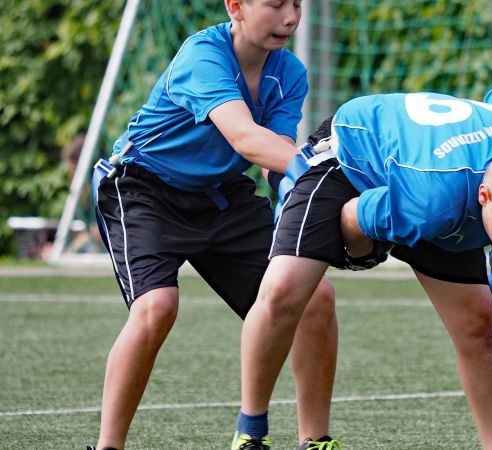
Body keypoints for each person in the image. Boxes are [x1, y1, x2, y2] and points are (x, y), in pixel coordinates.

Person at [238, 80, 492, 450]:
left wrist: (470, 133)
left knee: (477, 321)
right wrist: (358, 252)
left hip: (436, 180)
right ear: (485, 194)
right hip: (350, 159)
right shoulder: (428, 204)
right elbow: (353, 223)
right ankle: (250, 431)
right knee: (285, 290)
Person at [88, 1, 340, 449]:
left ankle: (314, 441)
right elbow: (244, 137)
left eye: (297, 3)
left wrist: (322, 199)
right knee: (156, 307)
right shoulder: (202, 55)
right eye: (276, 3)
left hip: (221, 195)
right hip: (143, 188)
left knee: (314, 295)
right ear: (236, 6)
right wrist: (333, 172)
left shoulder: (291, 73)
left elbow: (274, 157)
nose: (291, 17)